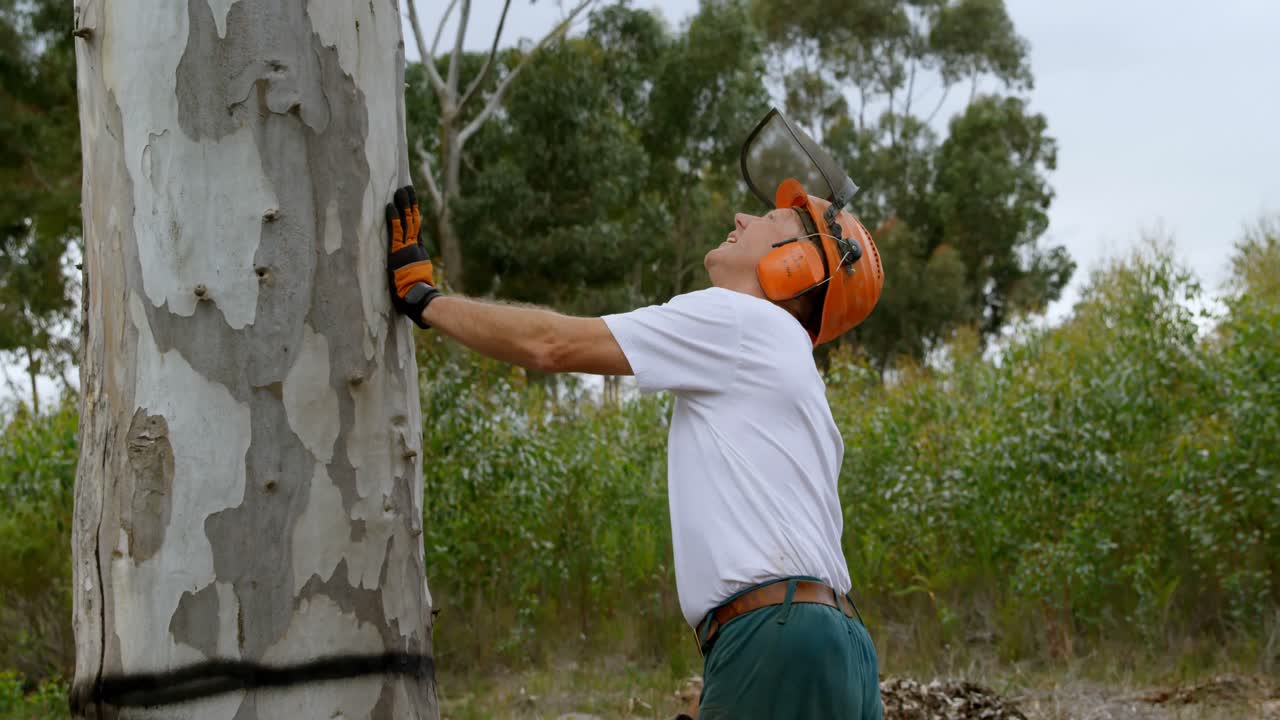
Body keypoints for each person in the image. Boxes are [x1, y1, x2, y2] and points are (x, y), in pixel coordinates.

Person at [386, 108, 885, 719]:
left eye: (769, 219)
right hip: (842, 651)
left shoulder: (739, 322)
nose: (741, 217)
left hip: (778, 642)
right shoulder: (788, 369)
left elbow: (551, 344)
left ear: (796, 264)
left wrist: (425, 300)